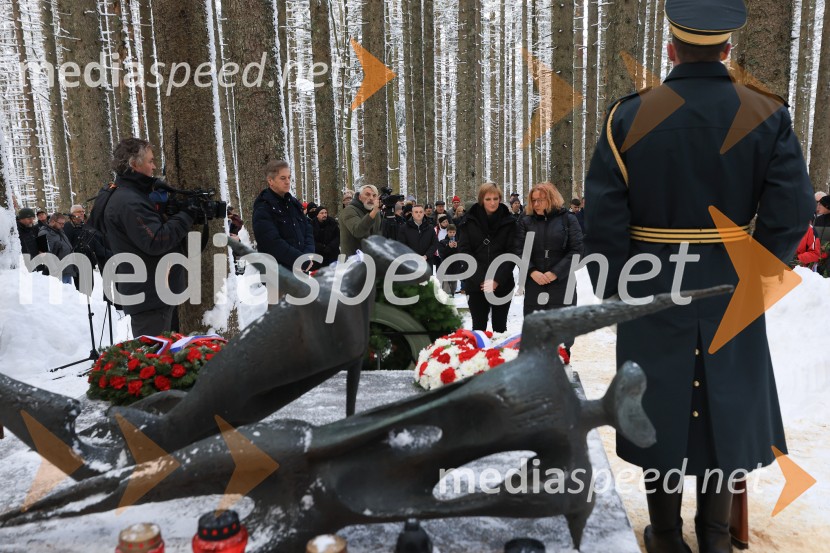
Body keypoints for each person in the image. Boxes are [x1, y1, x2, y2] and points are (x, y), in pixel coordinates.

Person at [583, 2, 815, 552]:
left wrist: (619, 288)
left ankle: (665, 534)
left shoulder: (627, 116)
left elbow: (603, 218)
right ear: (727, 49)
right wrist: (758, 274)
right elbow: (791, 210)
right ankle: (714, 536)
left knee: (656, 406)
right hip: (730, 282)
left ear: (671, 48)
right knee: (723, 405)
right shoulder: (766, 113)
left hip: (649, 282)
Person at [98, 138, 195, 337]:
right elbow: (155, 240)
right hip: (150, 296)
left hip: (153, 292)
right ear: (134, 164)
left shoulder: (131, 195)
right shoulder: (128, 201)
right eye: (150, 161)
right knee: (153, 353)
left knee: (162, 351)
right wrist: (186, 216)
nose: (154, 166)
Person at [514, 183, 583, 354]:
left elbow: (577, 250)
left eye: (541, 200)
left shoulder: (568, 219)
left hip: (562, 282)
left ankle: (563, 362)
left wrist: (555, 273)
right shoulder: (525, 220)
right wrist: (532, 271)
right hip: (535, 282)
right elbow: (518, 250)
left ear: (552, 199)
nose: (536, 204)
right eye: (533, 200)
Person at [457, 183, 516, 333]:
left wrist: (496, 280)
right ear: (481, 200)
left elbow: (511, 253)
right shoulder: (468, 221)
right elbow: (464, 253)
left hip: (502, 283)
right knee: (478, 328)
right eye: (488, 199)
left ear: (500, 199)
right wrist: (482, 280)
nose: (492, 203)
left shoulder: (509, 222)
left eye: (495, 198)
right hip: (476, 283)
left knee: (500, 328)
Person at [252, 160, 315, 272]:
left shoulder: (293, 203)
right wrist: (298, 259)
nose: (287, 182)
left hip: (300, 271)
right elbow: (271, 243)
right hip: (277, 274)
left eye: (289, 177)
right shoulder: (263, 208)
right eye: (283, 178)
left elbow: (307, 229)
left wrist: (307, 255)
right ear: (270, 181)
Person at [339, 184, 383, 256]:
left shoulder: (376, 212)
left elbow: (377, 234)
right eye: (367, 194)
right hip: (352, 259)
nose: (371, 198)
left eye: (374, 195)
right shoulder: (349, 210)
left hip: (370, 258)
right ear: (360, 197)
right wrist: (374, 212)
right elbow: (358, 231)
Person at [38, 212, 77, 285]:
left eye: (63, 224)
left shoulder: (59, 231)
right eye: (61, 223)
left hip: (67, 269)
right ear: (53, 221)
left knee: (68, 291)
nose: (63, 226)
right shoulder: (43, 233)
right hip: (57, 274)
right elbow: (44, 255)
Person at [437, 223, 461, 295]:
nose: (452, 234)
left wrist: (457, 247)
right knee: (446, 290)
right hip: (446, 267)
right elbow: (441, 254)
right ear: (447, 232)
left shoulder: (459, 242)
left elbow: (462, 254)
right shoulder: (442, 242)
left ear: (455, 232)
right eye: (450, 232)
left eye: (453, 232)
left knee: (453, 289)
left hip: (455, 267)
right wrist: (448, 247)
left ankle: (451, 298)